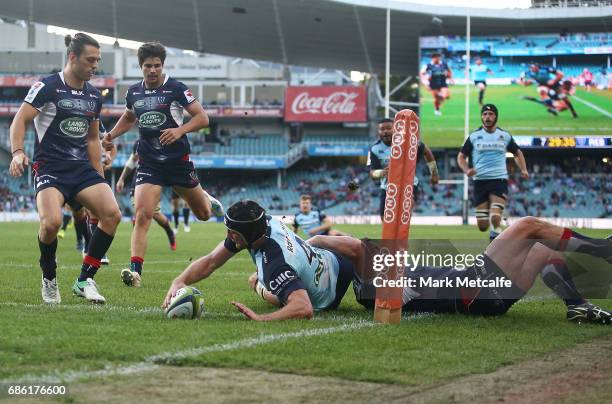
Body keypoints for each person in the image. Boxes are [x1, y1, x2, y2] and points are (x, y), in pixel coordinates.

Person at [163, 200, 611, 324]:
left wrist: (321, 239)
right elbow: (302, 301)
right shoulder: (376, 280)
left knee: (540, 250)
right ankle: (601, 250)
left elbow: (348, 249)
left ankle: (576, 305)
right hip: (475, 291)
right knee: (529, 227)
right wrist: (264, 315)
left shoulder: (374, 277)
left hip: (471, 282)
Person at [8, 33, 121, 304]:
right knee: (51, 224)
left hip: (81, 169)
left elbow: (93, 140)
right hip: (50, 167)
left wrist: (101, 178)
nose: (95, 66)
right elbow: (19, 120)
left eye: (98, 60)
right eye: (90, 60)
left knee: (112, 214)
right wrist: (18, 152)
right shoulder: (46, 86)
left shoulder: (94, 95)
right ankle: (49, 277)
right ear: (73, 57)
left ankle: (85, 280)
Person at [103, 42, 223, 288]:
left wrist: (180, 131)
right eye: (148, 66)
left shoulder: (176, 88)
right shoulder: (133, 92)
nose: (153, 70)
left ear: (163, 65)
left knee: (203, 215)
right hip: (149, 163)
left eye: (157, 65)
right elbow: (128, 117)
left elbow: (202, 118)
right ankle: (136, 271)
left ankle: (206, 198)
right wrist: (111, 136)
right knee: (143, 215)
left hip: (178, 162)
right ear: (141, 67)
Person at [163, 200, 356, 320]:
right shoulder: (264, 223)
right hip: (332, 261)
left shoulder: (273, 263)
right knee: (317, 242)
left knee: (257, 279)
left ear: (247, 233)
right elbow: (212, 261)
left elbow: (304, 307)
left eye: (233, 232)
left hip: (328, 297)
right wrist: (179, 281)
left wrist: (262, 318)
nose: (229, 236)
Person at [457, 104, 528, 241]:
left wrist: (523, 169)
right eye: (485, 114)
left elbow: (518, 153)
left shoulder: (504, 136)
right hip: (480, 181)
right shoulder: (474, 136)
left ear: (495, 116)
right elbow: (461, 156)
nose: (487, 117)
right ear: (481, 117)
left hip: (499, 180)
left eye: (490, 114)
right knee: (482, 225)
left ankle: (495, 246)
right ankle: (497, 226)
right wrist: (467, 169)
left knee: (495, 217)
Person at [368, 118, 439, 219]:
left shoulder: (408, 142)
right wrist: (382, 173)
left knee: (406, 206)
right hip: (387, 187)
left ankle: (406, 213)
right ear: (378, 131)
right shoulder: (374, 149)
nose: (385, 131)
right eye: (382, 129)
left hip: (409, 183)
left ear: (396, 129)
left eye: (388, 128)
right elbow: (372, 173)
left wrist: (434, 173)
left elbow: (426, 151)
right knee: (385, 218)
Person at [116, 141, 177, 251]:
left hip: (154, 180)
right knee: (139, 213)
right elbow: (132, 161)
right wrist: (121, 179)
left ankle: (169, 231)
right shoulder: (138, 143)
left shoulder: (161, 141)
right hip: (138, 180)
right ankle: (136, 245)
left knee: (156, 215)